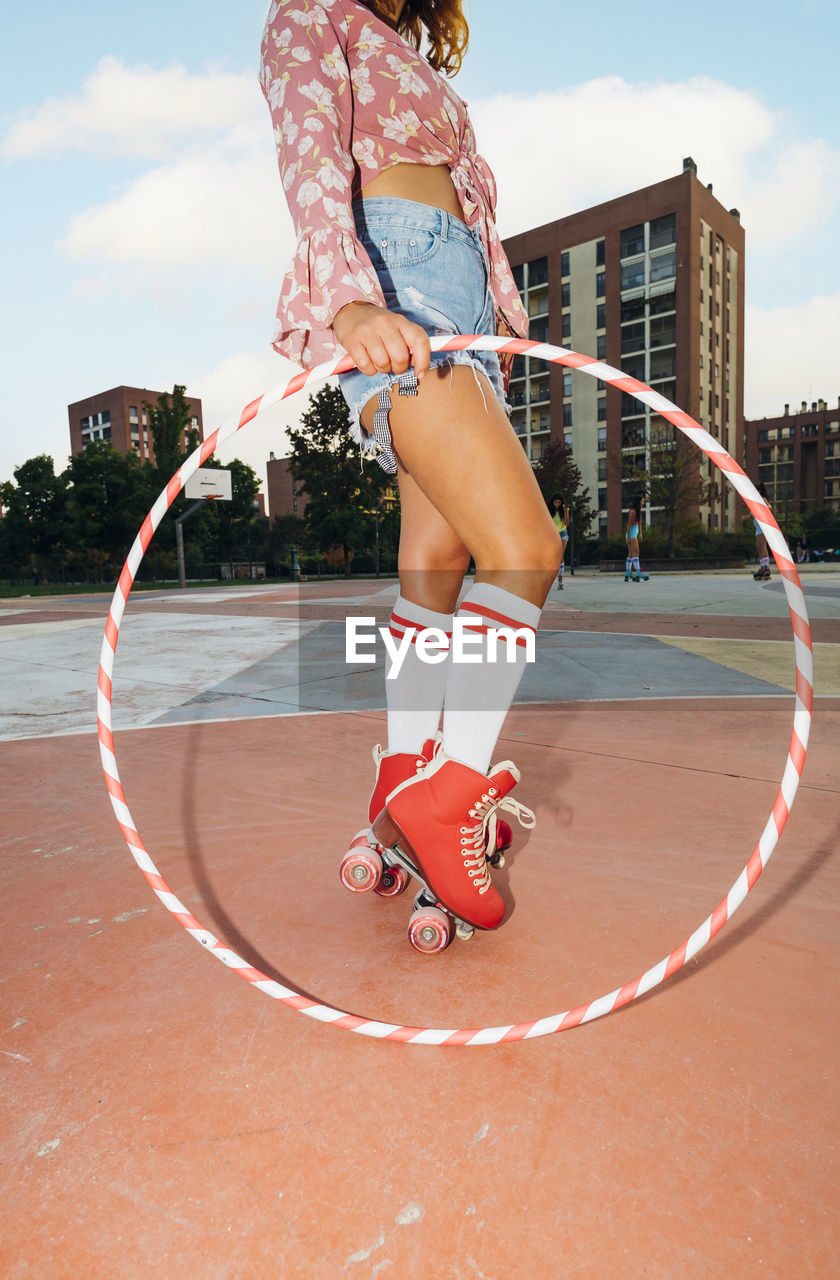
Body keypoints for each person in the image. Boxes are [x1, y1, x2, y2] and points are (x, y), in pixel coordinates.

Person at [260, 0, 562, 932]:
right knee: (525, 550)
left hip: (458, 312)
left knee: (433, 567)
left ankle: (402, 775)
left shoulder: (400, 43)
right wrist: (348, 306)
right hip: (395, 292)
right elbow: (309, 162)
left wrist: (497, 330)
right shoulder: (310, 14)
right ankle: (451, 789)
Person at [625, 500, 648, 581]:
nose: (643, 503)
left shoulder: (638, 512)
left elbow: (639, 523)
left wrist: (640, 533)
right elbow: (628, 525)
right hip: (631, 534)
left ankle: (628, 572)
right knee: (636, 552)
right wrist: (628, 537)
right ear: (638, 502)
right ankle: (638, 571)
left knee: (631, 554)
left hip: (634, 533)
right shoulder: (633, 512)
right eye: (641, 501)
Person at [752, 482, 771, 580]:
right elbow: (752, 515)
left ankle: (766, 567)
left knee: (762, 546)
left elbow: (770, 507)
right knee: (759, 547)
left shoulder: (762, 499)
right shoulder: (754, 502)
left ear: (758, 491)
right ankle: (762, 566)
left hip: (762, 526)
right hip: (757, 527)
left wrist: (765, 509)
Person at [550, 494, 568, 588]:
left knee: (561, 556)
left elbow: (567, 523)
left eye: (559, 502)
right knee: (554, 557)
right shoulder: (549, 511)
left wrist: (565, 512)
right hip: (553, 535)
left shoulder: (564, 511)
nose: (557, 504)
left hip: (563, 534)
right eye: (555, 502)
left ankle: (560, 579)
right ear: (552, 502)